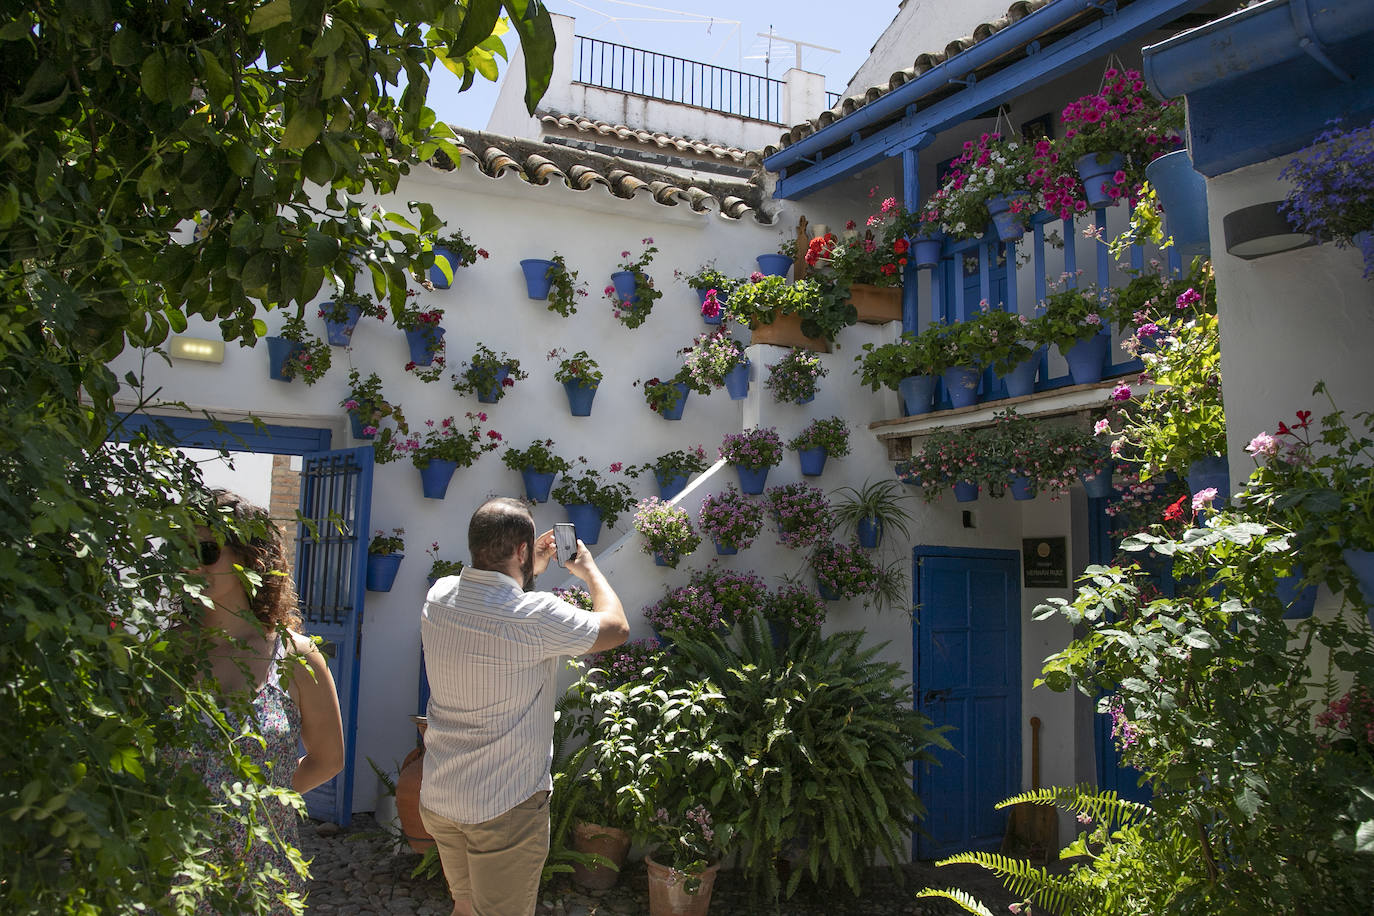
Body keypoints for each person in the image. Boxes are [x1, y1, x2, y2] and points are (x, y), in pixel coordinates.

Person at [420, 497, 630, 916]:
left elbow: (494, 592)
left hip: (442, 798)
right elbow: (617, 628)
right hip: (503, 808)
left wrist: (524, 567)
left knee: (464, 906)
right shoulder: (535, 616)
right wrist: (587, 569)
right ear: (521, 550)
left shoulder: (440, 596)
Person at [174, 489, 345, 913]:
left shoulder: (295, 655)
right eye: (182, 548)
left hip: (261, 871)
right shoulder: (166, 655)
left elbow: (328, 758)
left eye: (207, 549)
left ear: (250, 559)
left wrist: (264, 799)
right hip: (175, 870)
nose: (191, 562)